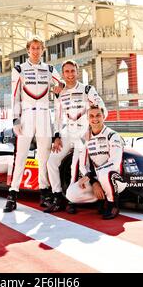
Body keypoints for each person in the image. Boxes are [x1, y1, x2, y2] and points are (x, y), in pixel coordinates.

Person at [4, 35, 64, 213]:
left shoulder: (50, 68)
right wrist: (15, 118)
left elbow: (60, 83)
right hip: (27, 116)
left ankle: (44, 193)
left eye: (39, 48)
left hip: (45, 115)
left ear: (43, 50)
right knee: (21, 155)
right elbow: (14, 95)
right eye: (33, 48)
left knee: (44, 157)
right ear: (28, 50)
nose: (36, 51)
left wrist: (59, 88)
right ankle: (13, 193)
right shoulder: (19, 69)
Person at [44, 60, 107, 213]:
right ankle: (58, 196)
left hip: (84, 131)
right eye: (67, 72)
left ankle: (72, 201)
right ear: (63, 74)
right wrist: (57, 136)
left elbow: (103, 110)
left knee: (75, 165)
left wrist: (93, 128)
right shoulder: (60, 92)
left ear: (77, 72)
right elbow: (58, 116)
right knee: (51, 161)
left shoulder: (87, 89)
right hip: (67, 131)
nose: (70, 74)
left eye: (73, 71)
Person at [65, 105, 125, 219]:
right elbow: (83, 165)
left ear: (103, 117)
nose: (95, 118)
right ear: (88, 119)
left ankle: (113, 204)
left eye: (98, 115)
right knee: (71, 193)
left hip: (116, 179)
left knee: (104, 173)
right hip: (98, 178)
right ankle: (101, 199)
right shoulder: (85, 139)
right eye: (91, 116)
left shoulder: (113, 135)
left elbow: (115, 163)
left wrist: (94, 176)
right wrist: (93, 181)